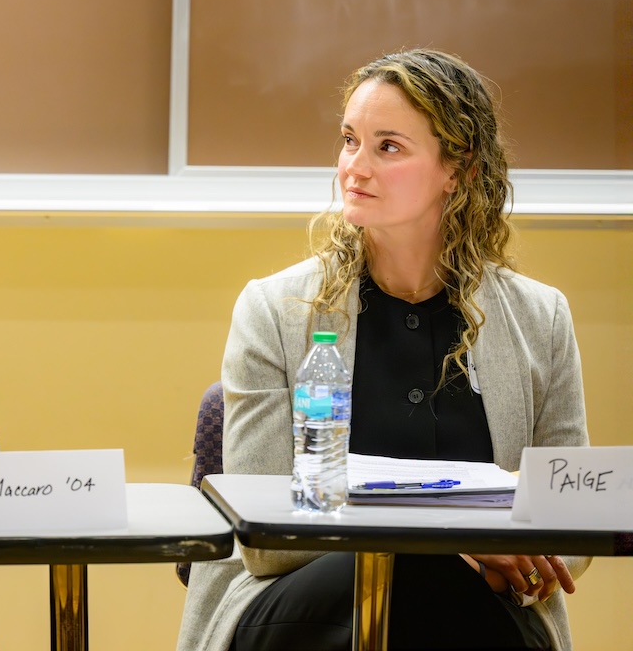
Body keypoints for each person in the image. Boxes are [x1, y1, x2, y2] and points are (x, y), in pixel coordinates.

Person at [177, 49, 589, 651]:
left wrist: (500, 559)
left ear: (459, 169)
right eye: (349, 141)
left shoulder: (540, 318)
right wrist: (448, 534)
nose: (354, 168)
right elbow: (264, 542)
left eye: (387, 147)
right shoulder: (274, 310)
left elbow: (571, 525)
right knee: (419, 571)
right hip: (296, 612)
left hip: (480, 614)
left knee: (441, 592)